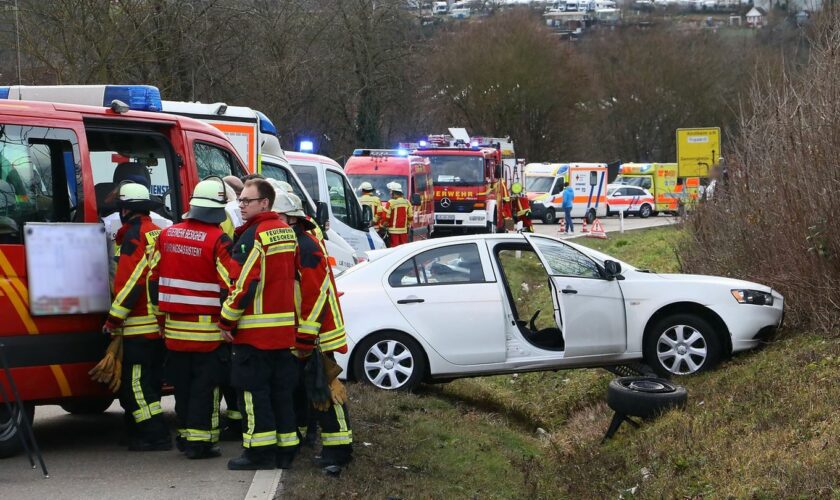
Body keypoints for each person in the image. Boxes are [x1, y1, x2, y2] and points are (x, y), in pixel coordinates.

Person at [148, 178, 239, 459]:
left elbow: (152, 280)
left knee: (183, 387)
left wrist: (160, 320)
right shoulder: (218, 240)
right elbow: (231, 283)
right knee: (205, 389)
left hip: (174, 330)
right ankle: (200, 444)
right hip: (208, 333)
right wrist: (229, 323)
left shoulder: (167, 234)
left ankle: (187, 437)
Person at [219, 178, 307, 470]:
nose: (241, 205)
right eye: (241, 200)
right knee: (281, 394)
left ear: (265, 203)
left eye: (247, 200)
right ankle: (286, 451)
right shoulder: (287, 233)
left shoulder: (253, 236)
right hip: (283, 335)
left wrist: (226, 321)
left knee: (254, 396)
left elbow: (244, 284)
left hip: (254, 335)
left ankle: (258, 453)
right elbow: (296, 281)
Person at [275, 191, 353, 471]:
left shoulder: (305, 246)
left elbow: (317, 292)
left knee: (326, 391)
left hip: (317, 334)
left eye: (278, 217)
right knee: (305, 390)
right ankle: (315, 440)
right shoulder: (296, 242)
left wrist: (307, 336)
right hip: (305, 333)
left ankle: (339, 450)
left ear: (291, 218)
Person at [101, 182, 169, 451]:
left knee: (135, 386)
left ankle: (155, 434)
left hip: (138, 326)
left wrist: (113, 319)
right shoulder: (155, 232)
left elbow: (131, 281)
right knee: (149, 382)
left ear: (125, 209)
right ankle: (138, 432)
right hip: (157, 324)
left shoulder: (133, 236)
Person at [383, 182, 412, 247]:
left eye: (391, 191)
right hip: (403, 231)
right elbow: (410, 216)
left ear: (393, 192)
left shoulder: (391, 202)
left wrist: (384, 225)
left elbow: (386, 217)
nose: (390, 193)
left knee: (394, 248)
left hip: (393, 232)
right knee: (403, 248)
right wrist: (407, 225)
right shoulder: (407, 202)